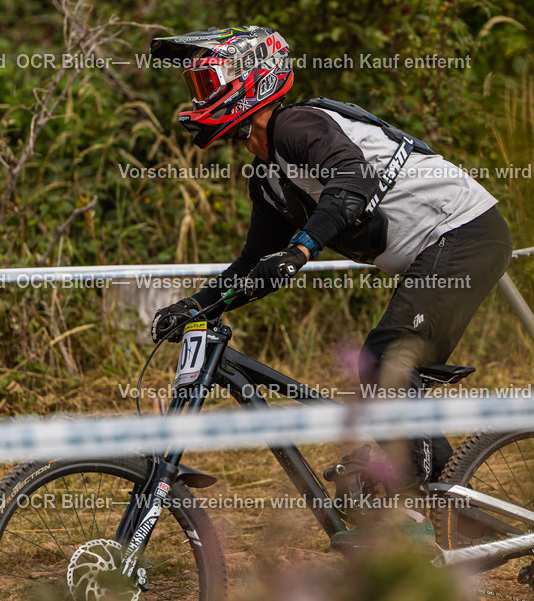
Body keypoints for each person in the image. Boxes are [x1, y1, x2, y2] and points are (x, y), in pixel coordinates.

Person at [149, 25, 512, 501]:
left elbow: (353, 180)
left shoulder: (297, 125)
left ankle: (426, 496)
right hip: (437, 248)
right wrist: (196, 306)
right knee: (383, 378)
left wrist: (301, 249)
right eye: (196, 87)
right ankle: (444, 504)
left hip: (465, 231)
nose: (199, 98)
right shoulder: (268, 178)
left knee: (385, 360)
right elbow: (254, 263)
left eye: (206, 83)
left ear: (250, 79)